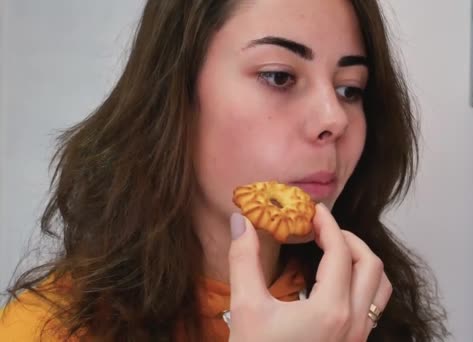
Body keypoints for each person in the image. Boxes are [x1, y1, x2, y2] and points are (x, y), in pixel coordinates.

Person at [0, 0, 448, 341]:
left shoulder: (374, 310)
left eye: (351, 89)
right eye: (279, 76)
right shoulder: (46, 328)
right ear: (176, 93)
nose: (334, 118)